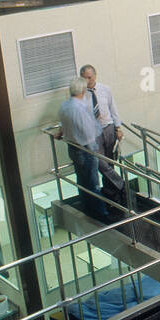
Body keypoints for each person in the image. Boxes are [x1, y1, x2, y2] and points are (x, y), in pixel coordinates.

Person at [56, 78, 108, 219]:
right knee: (93, 183)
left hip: (72, 147)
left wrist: (61, 132)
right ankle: (100, 214)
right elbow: (88, 132)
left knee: (82, 180)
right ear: (83, 91)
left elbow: (63, 124)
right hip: (85, 149)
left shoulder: (64, 106)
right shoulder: (79, 109)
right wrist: (94, 148)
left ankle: (87, 209)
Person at [80, 64, 125, 201]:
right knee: (99, 162)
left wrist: (118, 127)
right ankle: (120, 183)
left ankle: (112, 194)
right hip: (93, 133)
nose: (87, 81)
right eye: (84, 78)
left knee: (110, 161)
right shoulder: (79, 93)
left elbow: (113, 108)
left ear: (95, 75)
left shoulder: (105, 89)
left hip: (108, 128)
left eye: (89, 77)